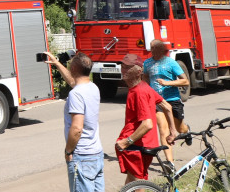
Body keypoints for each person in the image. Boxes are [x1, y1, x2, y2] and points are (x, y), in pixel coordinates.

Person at [46, 51, 104, 192]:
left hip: (82, 156)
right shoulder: (93, 87)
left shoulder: (76, 94)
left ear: (73, 69)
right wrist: (57, 64)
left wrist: (68, 150)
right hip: (96, 154)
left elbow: (77, 128)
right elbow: (74, 82)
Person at [115, 54, 177, 184]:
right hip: (142, 144)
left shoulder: (139, 92)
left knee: (138, 182)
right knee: (132, 180)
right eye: (122, 66)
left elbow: (147, 124)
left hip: (139, 146)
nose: (123, 70)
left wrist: (127, 141)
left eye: (127, 67)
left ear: (139, 71)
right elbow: (167, 107)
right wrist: (172, 131)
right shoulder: (143, 87)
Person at [143, 40, 190, 162]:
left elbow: (185, 81)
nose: (153, 50)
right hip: (157, 101)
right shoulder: (147, 63)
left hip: (172, 100)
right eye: (151, 48)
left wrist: (167, 83)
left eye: (156, 47)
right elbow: (146, 80)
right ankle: (170, 163)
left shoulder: (171, 63)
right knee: (163, 130)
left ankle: (187, 130)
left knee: (180, 129)